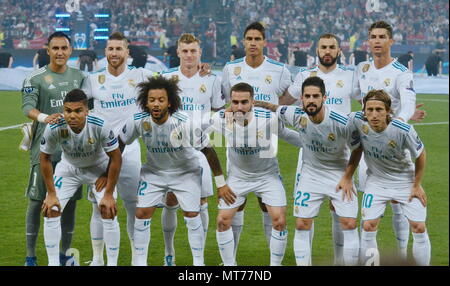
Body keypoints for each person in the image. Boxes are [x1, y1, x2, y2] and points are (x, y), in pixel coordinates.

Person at [119, 75, 230, 266]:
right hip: (154, 173)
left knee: (191, 215)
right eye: (152, 100)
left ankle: (198, 263)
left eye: (161, 100)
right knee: (142, 213)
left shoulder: (184, 122)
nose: (156, 104)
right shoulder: (138, 120)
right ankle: (139, 262)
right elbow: (119, 144)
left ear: (169, 102)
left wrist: (221, 184)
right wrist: (109, 174)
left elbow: (209, 151)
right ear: (145, 102)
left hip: (185, 173)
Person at [256, 76, 360, 266]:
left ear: (324, 98)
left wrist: (348, 177)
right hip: (310, 175)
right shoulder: (295, 114)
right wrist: (257, 103)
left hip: (339, 175)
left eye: (315, 96)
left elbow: (358, 147)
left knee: (349, 223)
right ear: (301, 98)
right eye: (307, 96)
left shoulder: (340, 121)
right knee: (302, 224)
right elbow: (275, 108)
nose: (311, 100)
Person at [221, 21, 296, 258]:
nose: (253, 43)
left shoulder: (279, 69)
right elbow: (225, 100)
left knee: (267, 204)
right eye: (249, 39)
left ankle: (274, 259)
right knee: (236, 202)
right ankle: (229, 260)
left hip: (266, 139)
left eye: (257, 39)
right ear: (243, 42)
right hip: (237, 140)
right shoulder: (230, 69)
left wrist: (272, 111)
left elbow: (288, 96)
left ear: (264, 42)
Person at [353, 20, 426, 261]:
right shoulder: (362, 69)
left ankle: (402, 255)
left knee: (399, 207)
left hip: (395, 147)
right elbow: (355, 97)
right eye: (373, 36)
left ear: (391, 42)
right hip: (368, 151)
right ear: (368, 41)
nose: (376, 41)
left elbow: (407, 102)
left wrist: (397, 123)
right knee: (369, 220)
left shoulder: (401, 73)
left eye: (382, 37)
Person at [288, 33, 362, 265]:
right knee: (304, 217)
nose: (327, 51)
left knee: (340, 212)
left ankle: (340, 260)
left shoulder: (350, 76)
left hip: (341, 154)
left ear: (339, 51)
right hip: (310, 156)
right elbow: (283, 102)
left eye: (332, 47)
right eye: (323, 47)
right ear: (316, 50)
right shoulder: (303, 75)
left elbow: (369, 105)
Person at [82, 31, 153, 266]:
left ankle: (137, 260)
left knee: (134, 205)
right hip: (100, 154)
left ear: (127, 52)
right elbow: (78, 107)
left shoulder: (141, 75)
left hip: (130, 149)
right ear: (105, 53)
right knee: (98, 207)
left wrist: (201, 70)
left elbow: (172, 83)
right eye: (110, 49)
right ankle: (97, 259)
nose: (114, 53)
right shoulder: (93, 80)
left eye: (118, 49)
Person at [211, 82, 300, 266]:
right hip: (238, 178)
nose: (239, 107)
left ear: (252, 101)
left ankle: (275, 265)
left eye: (244, 102)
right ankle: (229, 266)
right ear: (230, 102)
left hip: (267, 177)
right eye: (235, 102)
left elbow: (287, 135)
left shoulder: (267, 118)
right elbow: (205, 141)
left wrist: (310, 143)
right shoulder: (223, 118)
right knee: (222, 221)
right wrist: (220, 182)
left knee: (279, 221)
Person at [340, 89, 430, 266]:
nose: (374, 114)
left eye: (379, 110)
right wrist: (347, 176)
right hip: (377, 182)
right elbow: (355, 146)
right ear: (363, 110)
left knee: (419, 227)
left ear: (388, 111)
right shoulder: (357, 120)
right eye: (370, 109)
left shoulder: (403, 130)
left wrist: (416, 184)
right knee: (368, 226)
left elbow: (421, 154)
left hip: (405, 182)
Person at [160, 33, 225, 266]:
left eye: (193, 51)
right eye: (185, 51)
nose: (189, 55)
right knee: (170, 200)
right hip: (170, 151)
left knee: (201, 202)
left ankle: (199, 257)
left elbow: (219, 112)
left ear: (200, 53)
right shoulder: (167, 78)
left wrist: (208, 131)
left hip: (201, 150)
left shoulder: (212, 80)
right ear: (178, 52)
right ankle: (170, 254)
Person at [21, 32, 85, 266]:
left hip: (73, 153)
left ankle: (65, 254)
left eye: (64, 48)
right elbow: (27, 107)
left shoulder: (80, 76)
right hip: (44, 150)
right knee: (37, 201)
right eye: (55, 48)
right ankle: (30, 256)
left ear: (70, 50)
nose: (59, 52)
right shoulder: (35, 78)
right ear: (47, 50)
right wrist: (46, 117)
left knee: (69, 204)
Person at [40, 89, 122, 266]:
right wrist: (51, 193)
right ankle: (53, 263)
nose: (72, 115)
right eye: (68, 111)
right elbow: (44, 158)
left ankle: (112, 263)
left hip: (97, 168)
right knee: (51, 209)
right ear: (63, 110)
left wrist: (108, 192)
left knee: (108, 210)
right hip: (69, 169)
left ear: (86, 111)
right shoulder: (54, 126)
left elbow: (116, 157)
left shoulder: (100, 124)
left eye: (78, 111)